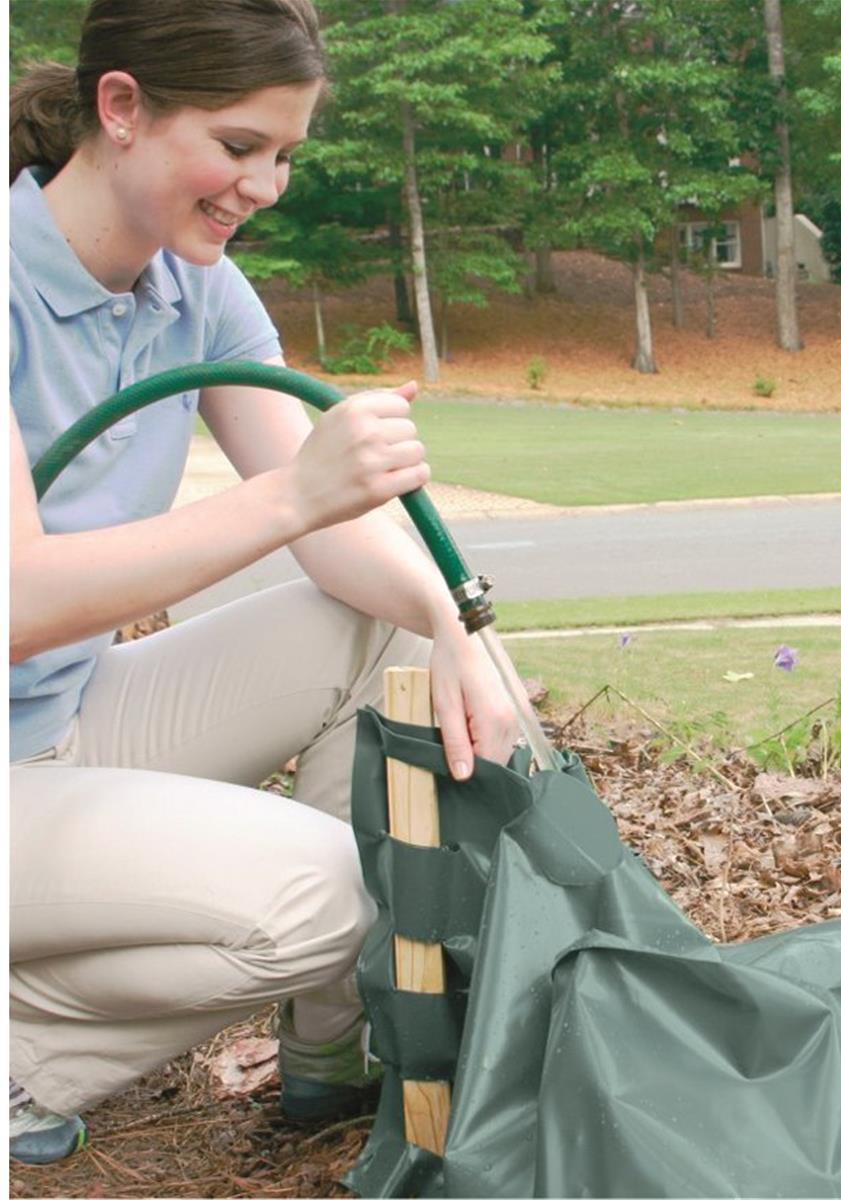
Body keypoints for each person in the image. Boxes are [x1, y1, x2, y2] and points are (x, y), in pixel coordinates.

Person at [9, 0, 519, 1167]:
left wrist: (457, 625)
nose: (266, 186)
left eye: (284, 155)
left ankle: (329, 1050)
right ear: (121, 107)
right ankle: (19, 1064)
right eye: (239, 147)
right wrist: (295, 500)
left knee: (381, 620)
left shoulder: (197, 288)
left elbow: (339, 535)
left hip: (62, 722)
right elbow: (15, 601)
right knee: (326, 897)